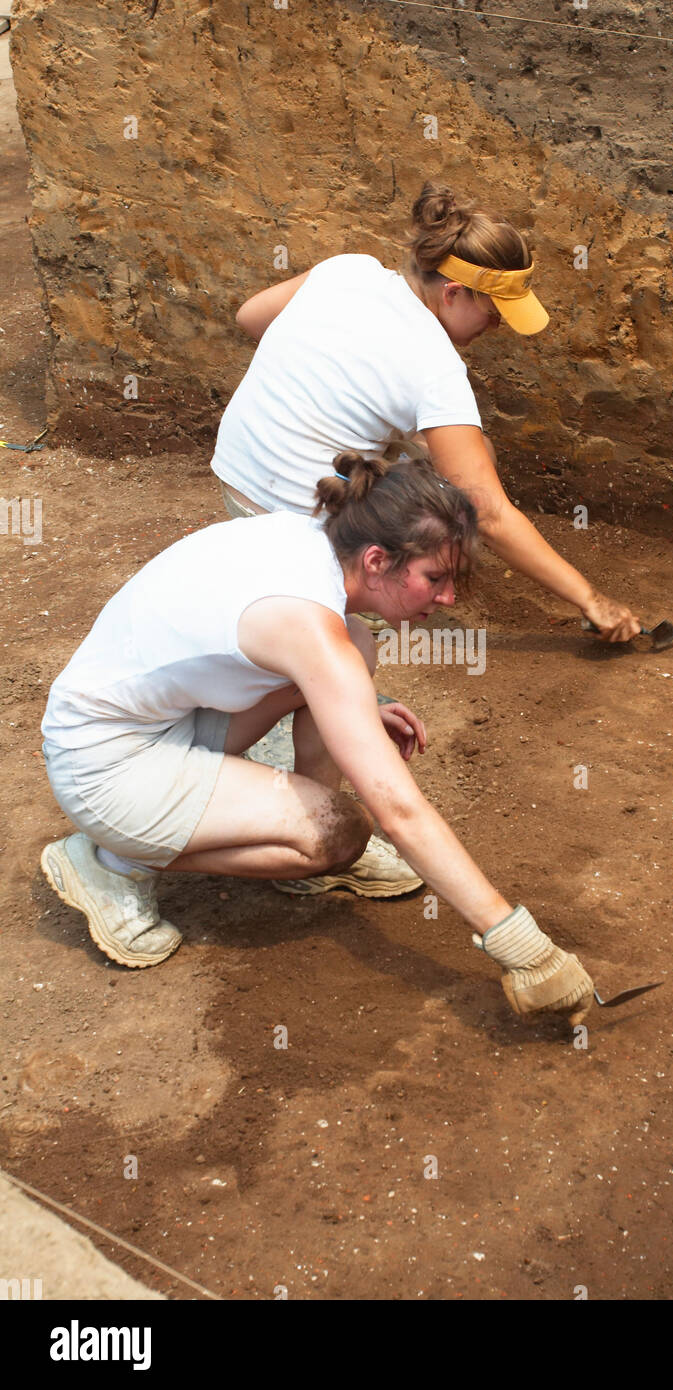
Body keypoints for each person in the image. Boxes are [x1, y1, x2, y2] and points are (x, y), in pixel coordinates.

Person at [38, 454, 594, 1025]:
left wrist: (358, 707)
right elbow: (401, 811)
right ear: (377, 560)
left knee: (358, 647)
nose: (448, 598)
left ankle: (286, 841)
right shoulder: (307, 624)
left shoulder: (313, 546)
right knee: (342, 830)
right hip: (104, 765)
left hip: (160, 721)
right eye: (435, 577)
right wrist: (522, 948)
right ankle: (112, 861)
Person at [211, 182, 641, 642]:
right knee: (465, 482)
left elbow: (250, 317)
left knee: (457, 449)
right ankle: (362, 599)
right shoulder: (436, 367)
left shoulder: (347, 269)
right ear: (454, 292)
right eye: (494, 314)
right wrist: (589, 598)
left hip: (237, 485)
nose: (496, 329)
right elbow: (488, 511)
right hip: (304, 527)